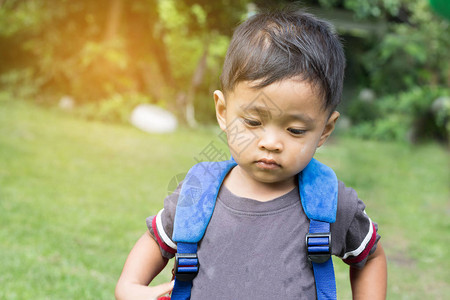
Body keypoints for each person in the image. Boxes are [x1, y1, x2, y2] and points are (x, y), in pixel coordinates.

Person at [115, 9, 387, 300]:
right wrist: (130, 288)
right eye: (253, 122)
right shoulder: (199, 192)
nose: (270, 142)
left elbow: (370, 256)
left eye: (295, 130)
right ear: (223, 111)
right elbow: (156, 240)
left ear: (324, 129)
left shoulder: (330, 202)